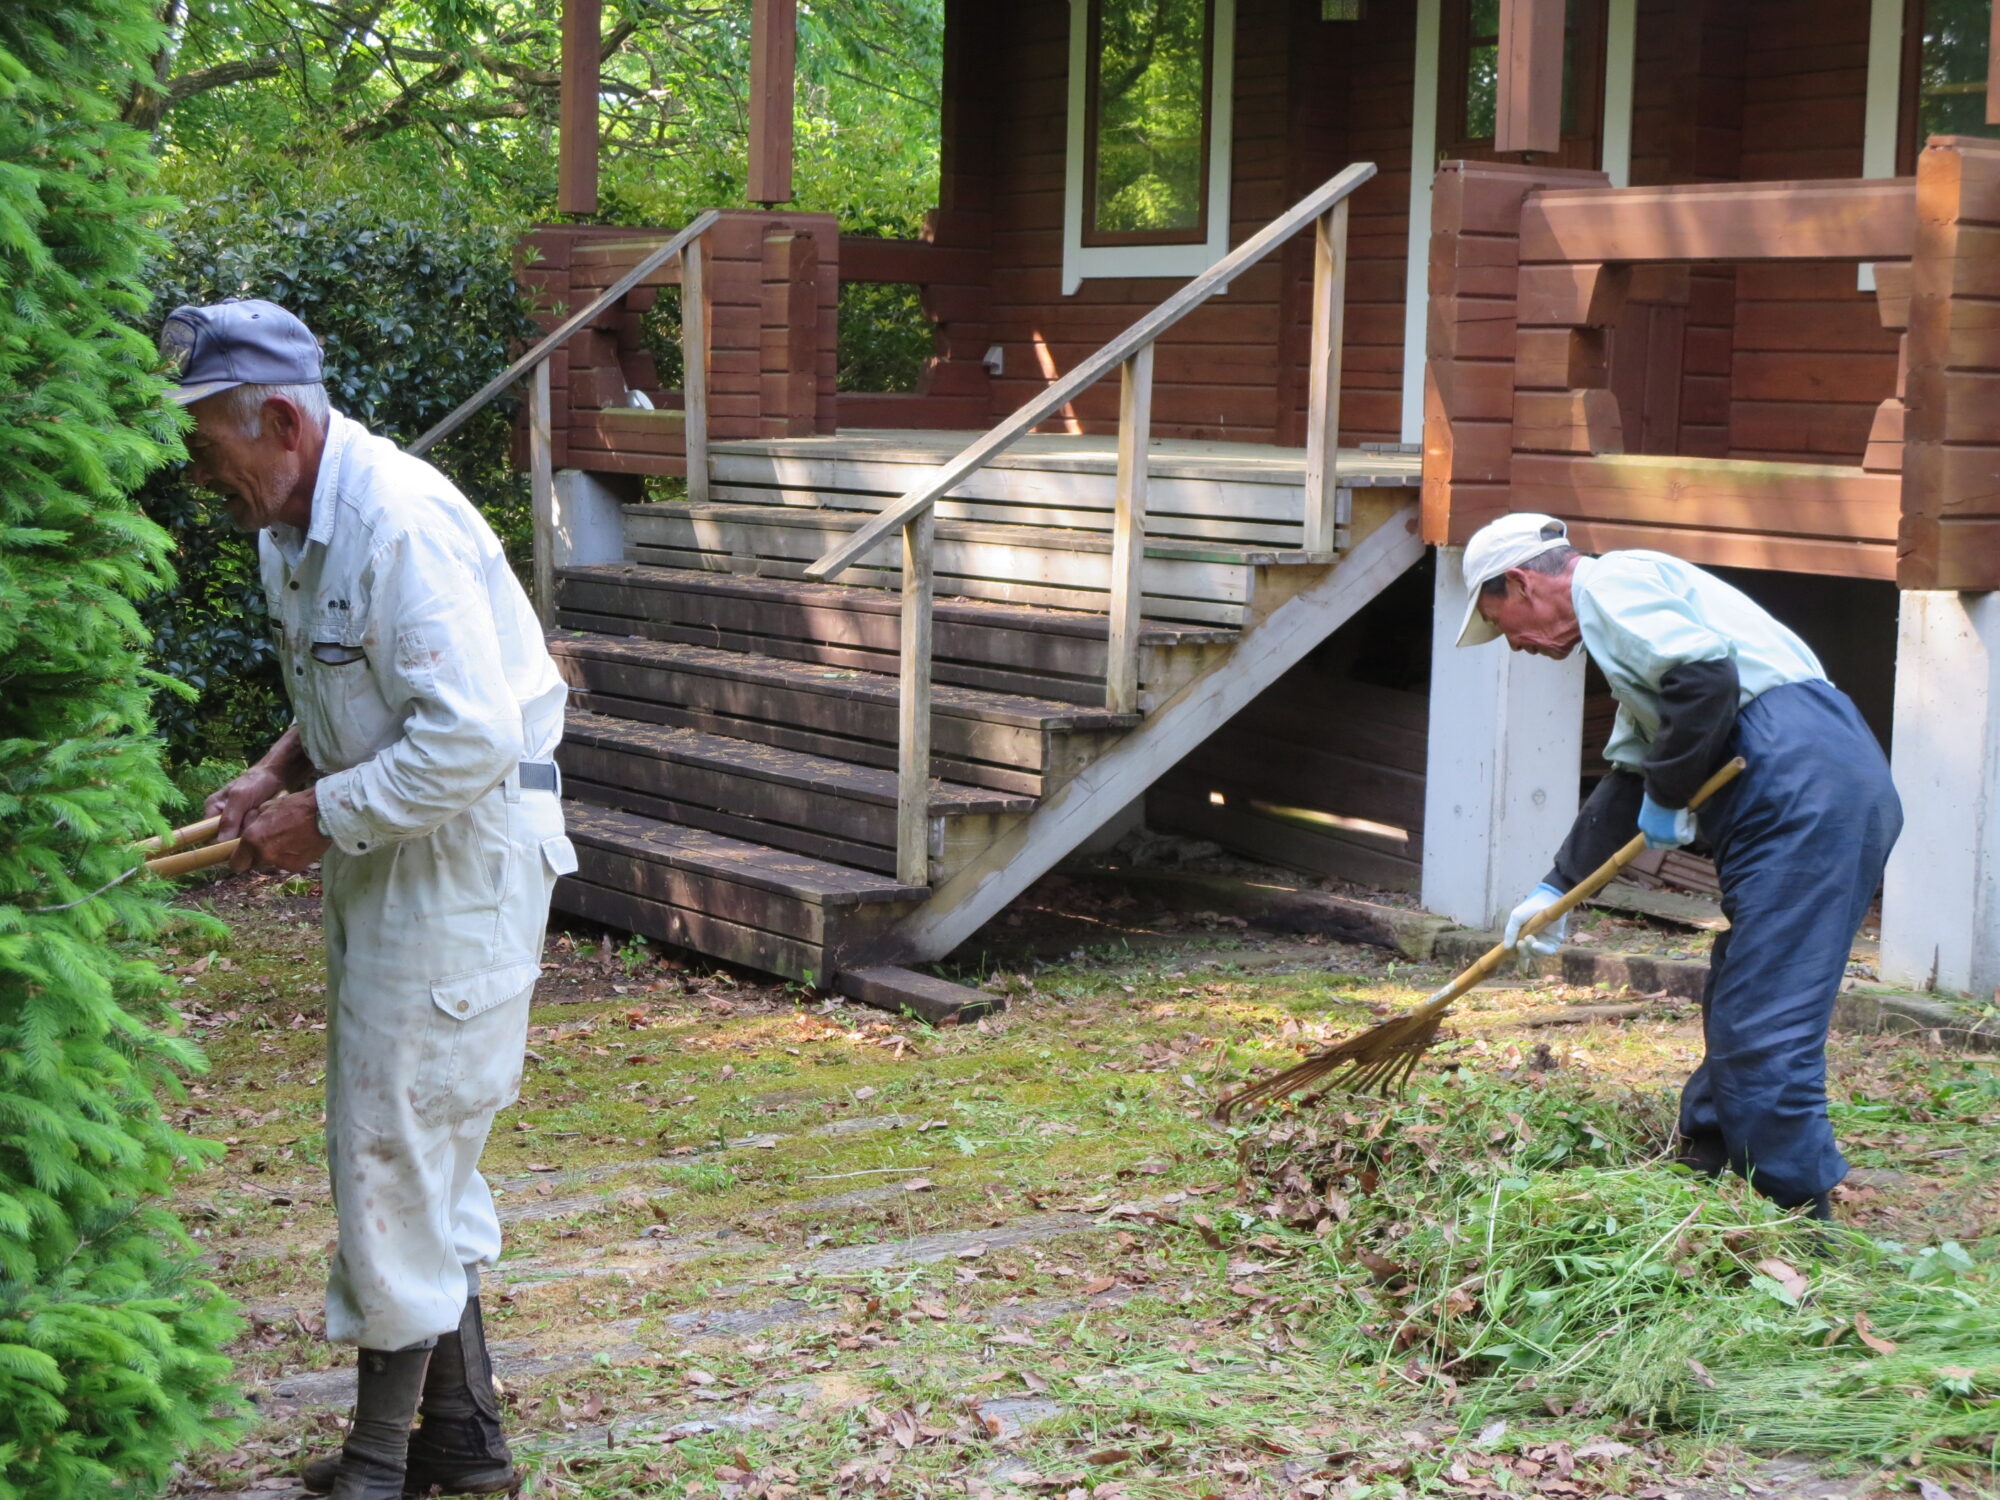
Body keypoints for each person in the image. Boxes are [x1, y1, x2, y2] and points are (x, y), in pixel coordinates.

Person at [163, 298, 574, 1499]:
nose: (199, 472)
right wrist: (276, 769)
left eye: (206, 443)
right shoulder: (292, 525)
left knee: (395, 1145)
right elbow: (361, 677)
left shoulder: (398, 522)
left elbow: (469, 738)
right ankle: (465, 1448)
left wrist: (317, 819)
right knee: (415, 1139)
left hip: (463, 851)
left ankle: (376, 1468)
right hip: (397, 841)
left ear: (280, 418)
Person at [1456, 513, 1901, 1221]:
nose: (1515, 643)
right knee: (1743, 986)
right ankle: (1710, 1156)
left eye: (1502, 620)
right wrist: (1558, 885)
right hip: (1807, 770)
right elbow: (1633, 773)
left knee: (1767, 1013)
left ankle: (1793, 1216)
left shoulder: (1616, 585)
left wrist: (1668, 793)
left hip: (1802, 778)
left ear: (1522, 582)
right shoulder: (1626, 636)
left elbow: (1705, 682)